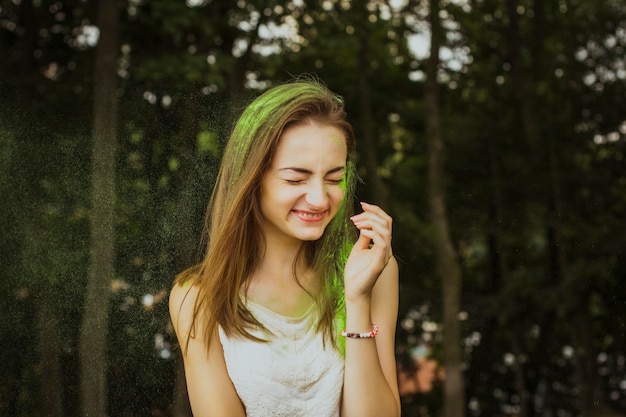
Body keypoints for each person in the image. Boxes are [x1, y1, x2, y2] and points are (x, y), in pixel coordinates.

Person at [169, 77, 400, 417]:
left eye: (334, 178)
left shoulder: (374, 271)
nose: (320, 198)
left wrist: (356, 299)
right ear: (251, 179)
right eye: (296, 178)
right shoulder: (198, 297)